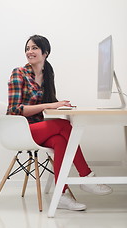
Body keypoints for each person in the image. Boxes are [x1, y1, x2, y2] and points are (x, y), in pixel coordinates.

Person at [7, 34, 112, 211]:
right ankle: (86, 176)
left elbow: (48, 102)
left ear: (45, 52)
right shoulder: (19, 73)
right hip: (20, 129)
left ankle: (61, 195)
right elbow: (15, 109)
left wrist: (62, 106)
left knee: (60, 141)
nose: (29, 51)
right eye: (27, 48)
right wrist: (49, 105)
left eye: (34, 48)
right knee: (64, 126)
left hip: (37, 129)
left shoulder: (47, 73)